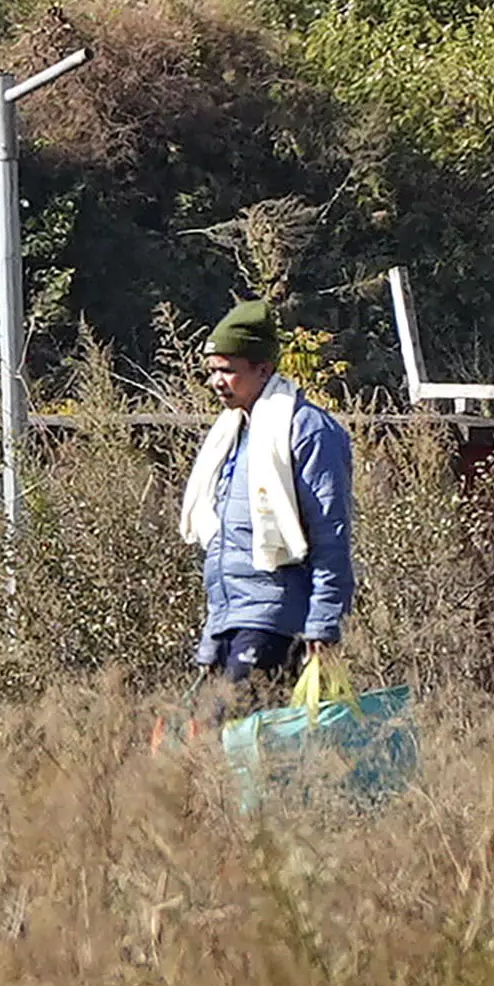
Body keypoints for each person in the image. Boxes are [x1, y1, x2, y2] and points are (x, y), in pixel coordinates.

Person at [181, 298, 357, 714]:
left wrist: (323, 625)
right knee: (218, 749)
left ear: (263, 369)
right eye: (212, 370)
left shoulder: (306, 431)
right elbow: (226, 547)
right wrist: (212, 639)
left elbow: (330, 534)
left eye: (228, 370)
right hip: (233, 621)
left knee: (231, 742)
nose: (217, 382)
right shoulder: (232, 434)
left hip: (275, 620)